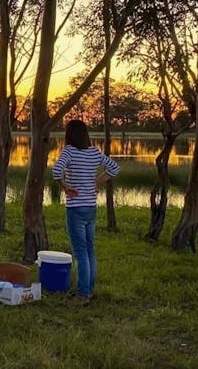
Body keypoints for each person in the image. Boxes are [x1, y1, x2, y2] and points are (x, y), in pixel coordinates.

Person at [51, 119, 120, 306]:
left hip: (75, 208)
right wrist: (96, 182)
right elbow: (114, 168)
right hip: (91, 207)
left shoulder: (69, 151)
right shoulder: (94, 152)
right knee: (89, 250)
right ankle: (88, 290)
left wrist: (65, 185)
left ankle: (82, 295)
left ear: (69, 135)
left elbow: (56, 170)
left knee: (80, 252)